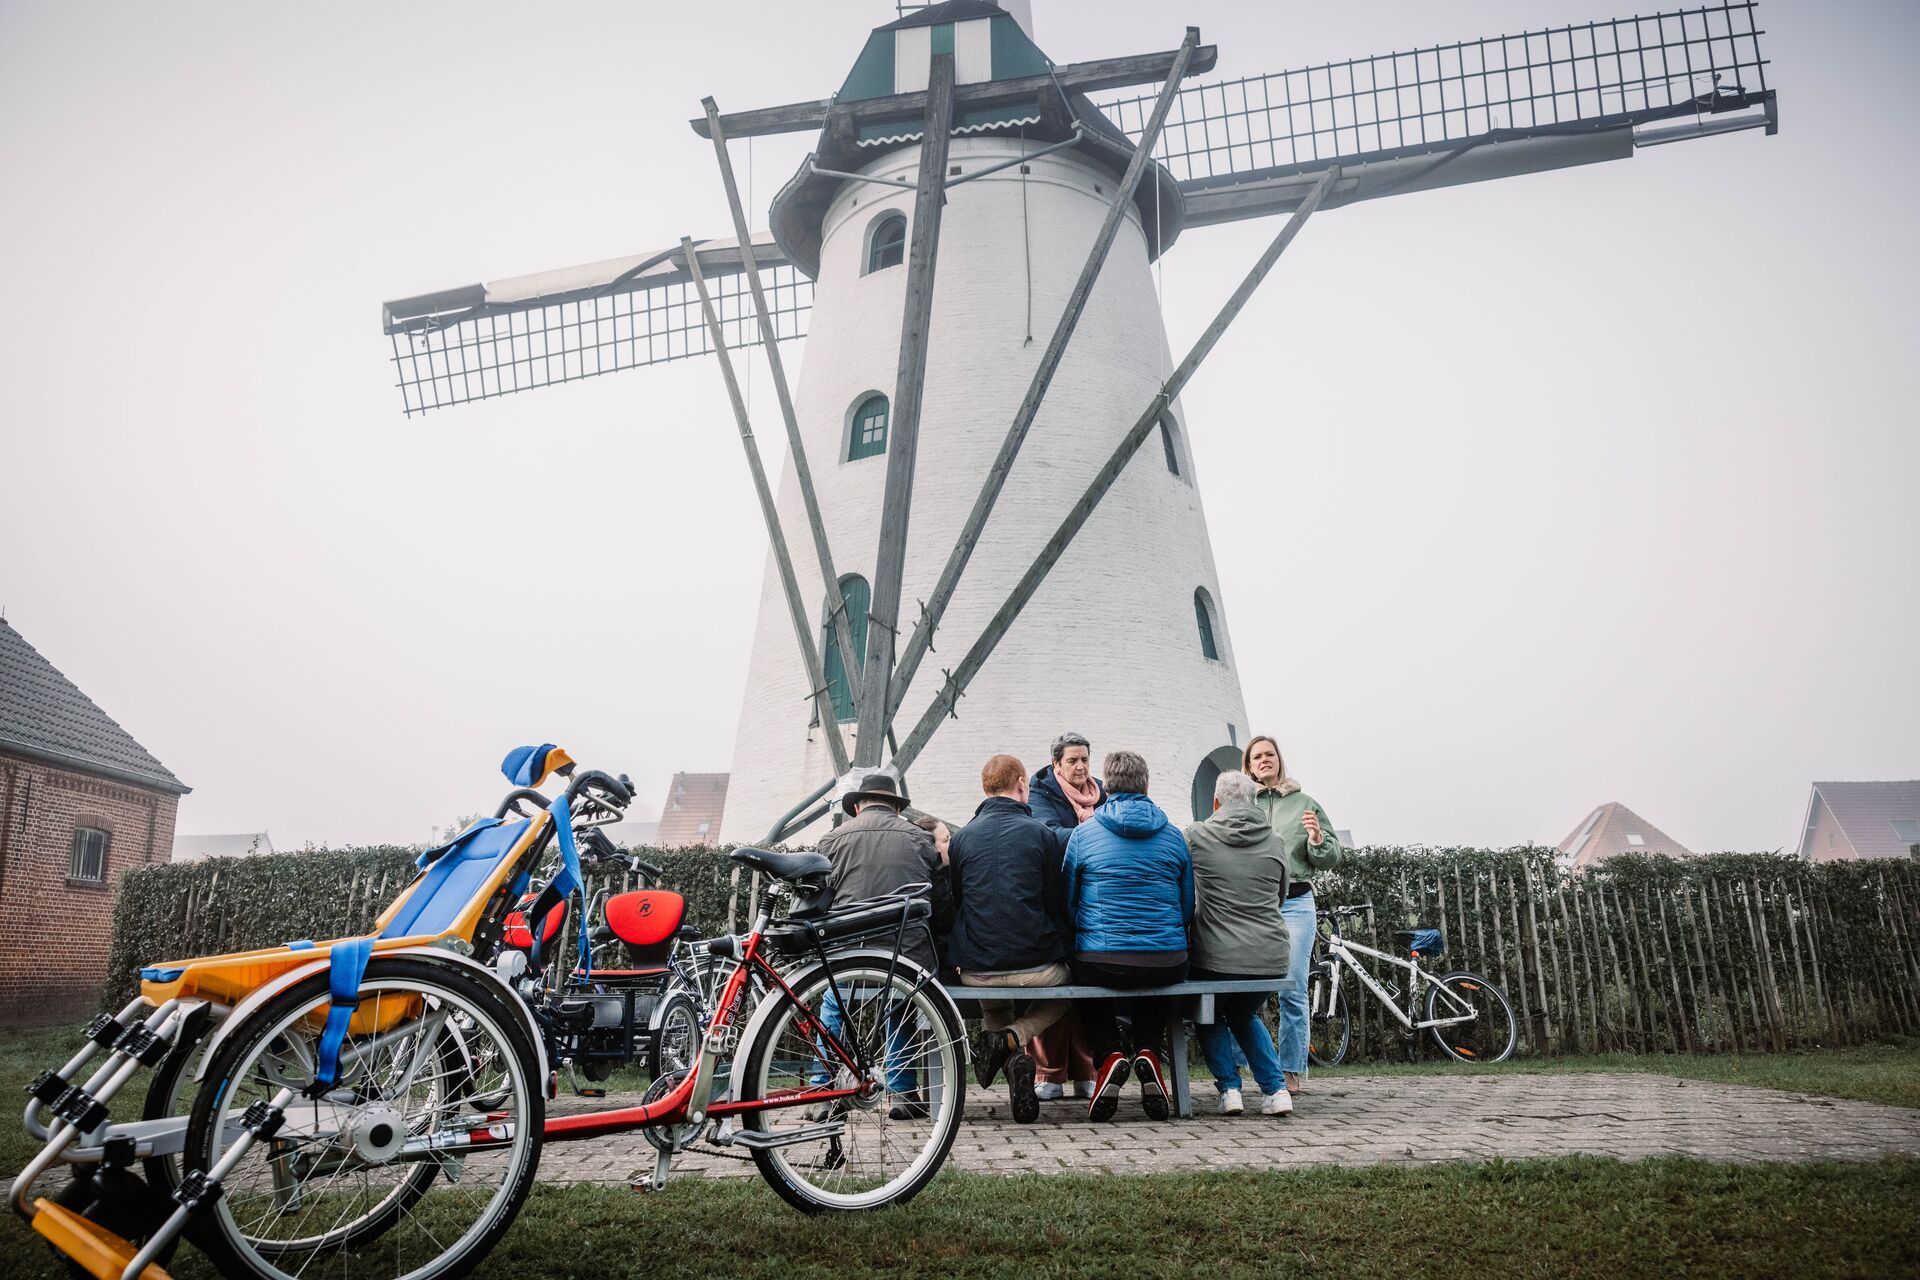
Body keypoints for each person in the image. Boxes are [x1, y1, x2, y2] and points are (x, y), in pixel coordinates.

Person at [1062, 750, 1193, 1122]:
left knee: (1085, 976)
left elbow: (1068, 902)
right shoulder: (1173, 836)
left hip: (1102, 960)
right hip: (1168, 959)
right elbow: (1187, 908)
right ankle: (1148, 1052)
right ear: (1146, 785)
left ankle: (1108, 1057)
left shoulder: (1083, 835)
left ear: (1105, 787)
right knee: (1155, 971)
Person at [814, 771, 951, 1120]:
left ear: (857, 806)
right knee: (900, 1002)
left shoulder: (831, 841)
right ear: (895, 807)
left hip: (849, 955)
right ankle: (903, 1091)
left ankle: (822, 1090)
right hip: (904, 955)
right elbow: (940, 902)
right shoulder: (919, 840)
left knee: (832, 1005)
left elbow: (819, 902)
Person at [947, 754, 1074, 1124]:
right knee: (1067, 994)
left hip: (978, 969)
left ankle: (1013, 1055)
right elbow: (1054, 900)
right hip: (1036, 965)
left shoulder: (962, 838)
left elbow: (959, 900)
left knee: (994, 1007)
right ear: (1021, 783)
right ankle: (1014, 1040)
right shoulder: (1042, 835)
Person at [1184, 769, 1293, 1117]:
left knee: (1209, 1014)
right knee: (1244, 1013)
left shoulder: (1196, 835)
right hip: (1270, 954)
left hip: (1213, 954)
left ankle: (1230, 1090)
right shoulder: (1276, 840)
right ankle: (1276, 1091)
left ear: (1216, 802)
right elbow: (1281, 895)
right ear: (1253, 801)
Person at [1244, 735, 1342, 1096]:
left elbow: (1330, 857)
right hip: (1255, 906)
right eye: (1258, 757)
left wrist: (1316, 838)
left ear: (1279, 760)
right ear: (1249, 766)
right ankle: (1249, 1067)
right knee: (1248, 987)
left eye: (1270, 754)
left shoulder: (1305, 803)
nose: (1265, 760)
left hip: (1296, 903)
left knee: (1293, 985)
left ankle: (1290, 1070)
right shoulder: (1244, 805)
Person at [1024, 732, 1106, 1100]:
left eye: (1085, 759)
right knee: (1055, 987)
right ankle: (1048, 1072)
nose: (1080, 766)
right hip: (1055, 901)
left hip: (1093, 900)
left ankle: (1087, 1070)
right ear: (1056, 763)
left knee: (1087, 988)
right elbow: (1050, 835)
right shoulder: (1040, 794)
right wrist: (1100, 835)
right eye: (1072, 760)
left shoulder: (1101, 792)